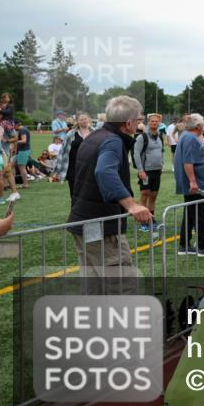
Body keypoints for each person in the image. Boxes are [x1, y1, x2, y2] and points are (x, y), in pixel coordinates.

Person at [66, 96, 153, 295]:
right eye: (139, 119)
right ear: (128, 123)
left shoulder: (94, 137)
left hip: (84, 222)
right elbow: (104, 172)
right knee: (123, 285)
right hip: (101, 226)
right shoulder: (112, 141)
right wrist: (132, 205)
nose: (141, 123)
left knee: (94, 286)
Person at [174, 113, 204, 257]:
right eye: (203, 124)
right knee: (199, 215)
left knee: (190, 214)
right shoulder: (190, 138)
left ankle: (184, 244)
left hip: (195, 184)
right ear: (199, 126)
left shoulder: (187, 136)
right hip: (196, 185)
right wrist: (193, 181)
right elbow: (188, 162)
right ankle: (202, 247)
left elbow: (194, 158)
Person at [134, 113, 165, 233]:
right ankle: (143, 222)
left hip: (157, 171)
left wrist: (161, 164)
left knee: (153, 196)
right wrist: (140, 170)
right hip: (146, 171)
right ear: (148, 122)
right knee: (144, 194)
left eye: (157, 121)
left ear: (159, 123)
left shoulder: (160, 136)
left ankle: (151, 218)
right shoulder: (142, 137)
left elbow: (161, 151)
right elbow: (136, 154)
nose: (154, 123)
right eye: (152, 121)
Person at [54, 112, 94, 198]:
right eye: (81, 119)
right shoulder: (71, 134)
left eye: (85, 119)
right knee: (74, 192)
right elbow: (63, 151)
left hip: (90, 167)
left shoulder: (94, 132)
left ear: (88, 119)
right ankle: (75, 209)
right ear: (77, 121)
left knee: (89, 191)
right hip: (74, 167)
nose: (84, 121)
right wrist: (59, 167)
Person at [14, 123, 32, 188]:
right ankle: (13, 183)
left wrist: (14, 141)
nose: (13, 128)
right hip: (22, 151)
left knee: (22, 168)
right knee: (13, 166)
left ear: (16, 124)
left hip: (23, 151)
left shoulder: (22, 130)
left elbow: (24, 140)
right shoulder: (23, 129)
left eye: (13, 126)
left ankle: (25, 184)